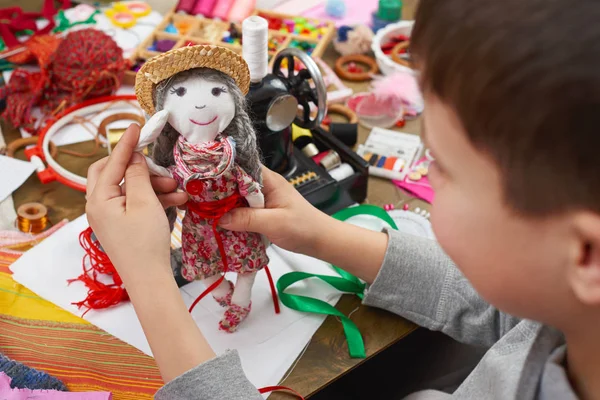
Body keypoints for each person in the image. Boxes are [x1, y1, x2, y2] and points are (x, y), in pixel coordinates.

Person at [85, 0, 600, 398]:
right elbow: (511, 319)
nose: (428, 178)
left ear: (585, 253)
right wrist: (321, 234)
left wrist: (148, 280)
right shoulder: (569, 317)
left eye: (442, 166)